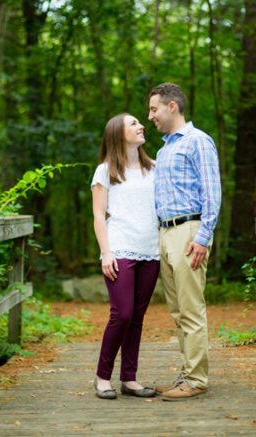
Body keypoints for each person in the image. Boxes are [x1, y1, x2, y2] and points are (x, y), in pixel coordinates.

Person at [147, 82, 221, 401]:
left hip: (189, 231)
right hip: (166, 233)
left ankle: (197, 379)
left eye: (154, 109)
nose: (150, 116)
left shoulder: (197, 141)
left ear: (172, 106)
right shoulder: (165, 149)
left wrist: (203, 237)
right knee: (178, 310)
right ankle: (187, 372)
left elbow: (212, 191)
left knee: (191, 308)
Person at [90, 113, 160, 400]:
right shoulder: (105, 170)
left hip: (151, 250)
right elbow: (97, 214)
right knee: (122, 314)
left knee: (137, 318)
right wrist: (106, 252)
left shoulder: (154, 167)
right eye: (133, 123)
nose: (141, 125)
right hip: (119, 248)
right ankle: (102, 377)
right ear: (118, 134)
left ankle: (129, 379)